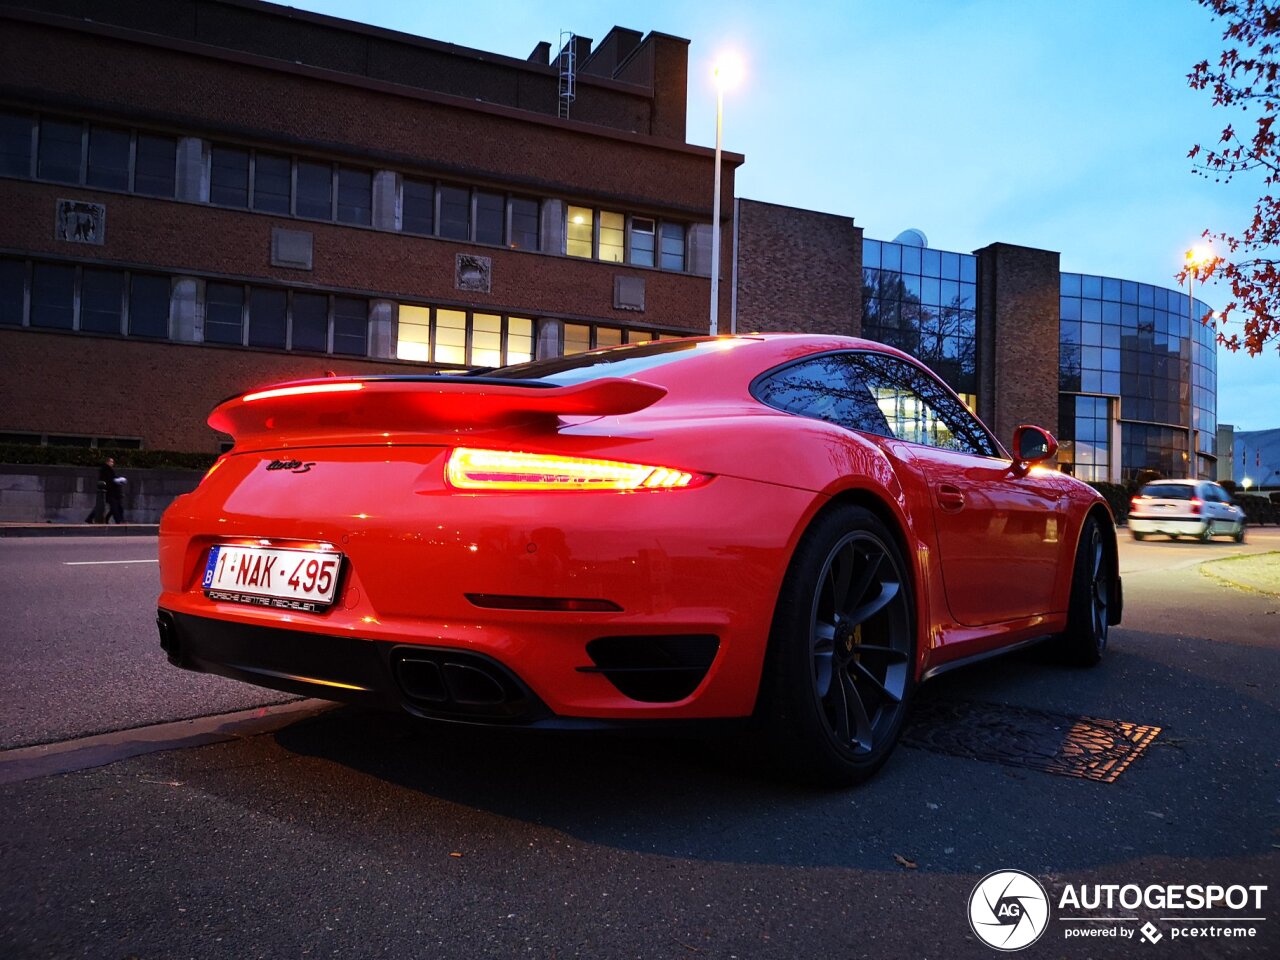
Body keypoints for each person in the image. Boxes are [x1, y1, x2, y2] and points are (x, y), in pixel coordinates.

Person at [101, 457, 127, 524]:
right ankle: (118, 521)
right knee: (115, 508)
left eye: (112, 462)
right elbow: (110, 480)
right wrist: (118, 480)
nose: (112, 463)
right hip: (111, 492)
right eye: (111, 462)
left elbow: (113, 479)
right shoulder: (106, 469)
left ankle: (117, 520)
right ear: (107, 462)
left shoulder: (109, 470)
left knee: (116, 508)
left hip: (114, 493)